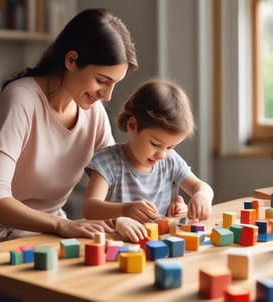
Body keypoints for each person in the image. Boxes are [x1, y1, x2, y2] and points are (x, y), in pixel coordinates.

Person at [0, 8, 138, 249]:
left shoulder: (93, 113)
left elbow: (118, 177)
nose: (107, 96)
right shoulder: (20, 100)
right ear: (72, 60)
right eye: (101, 80)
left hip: (53, 240)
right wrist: (58, 225)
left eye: (114, 84)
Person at [82, 79, 214, 243]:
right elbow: (89, 207)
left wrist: (202, 196)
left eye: (170, 147)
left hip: (160, 243)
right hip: (116, 243)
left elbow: (200, 186)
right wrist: (123, 211)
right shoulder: (108, 162)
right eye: (155, 144)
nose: (162, 155)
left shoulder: (170, 161)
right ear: (132, 126)